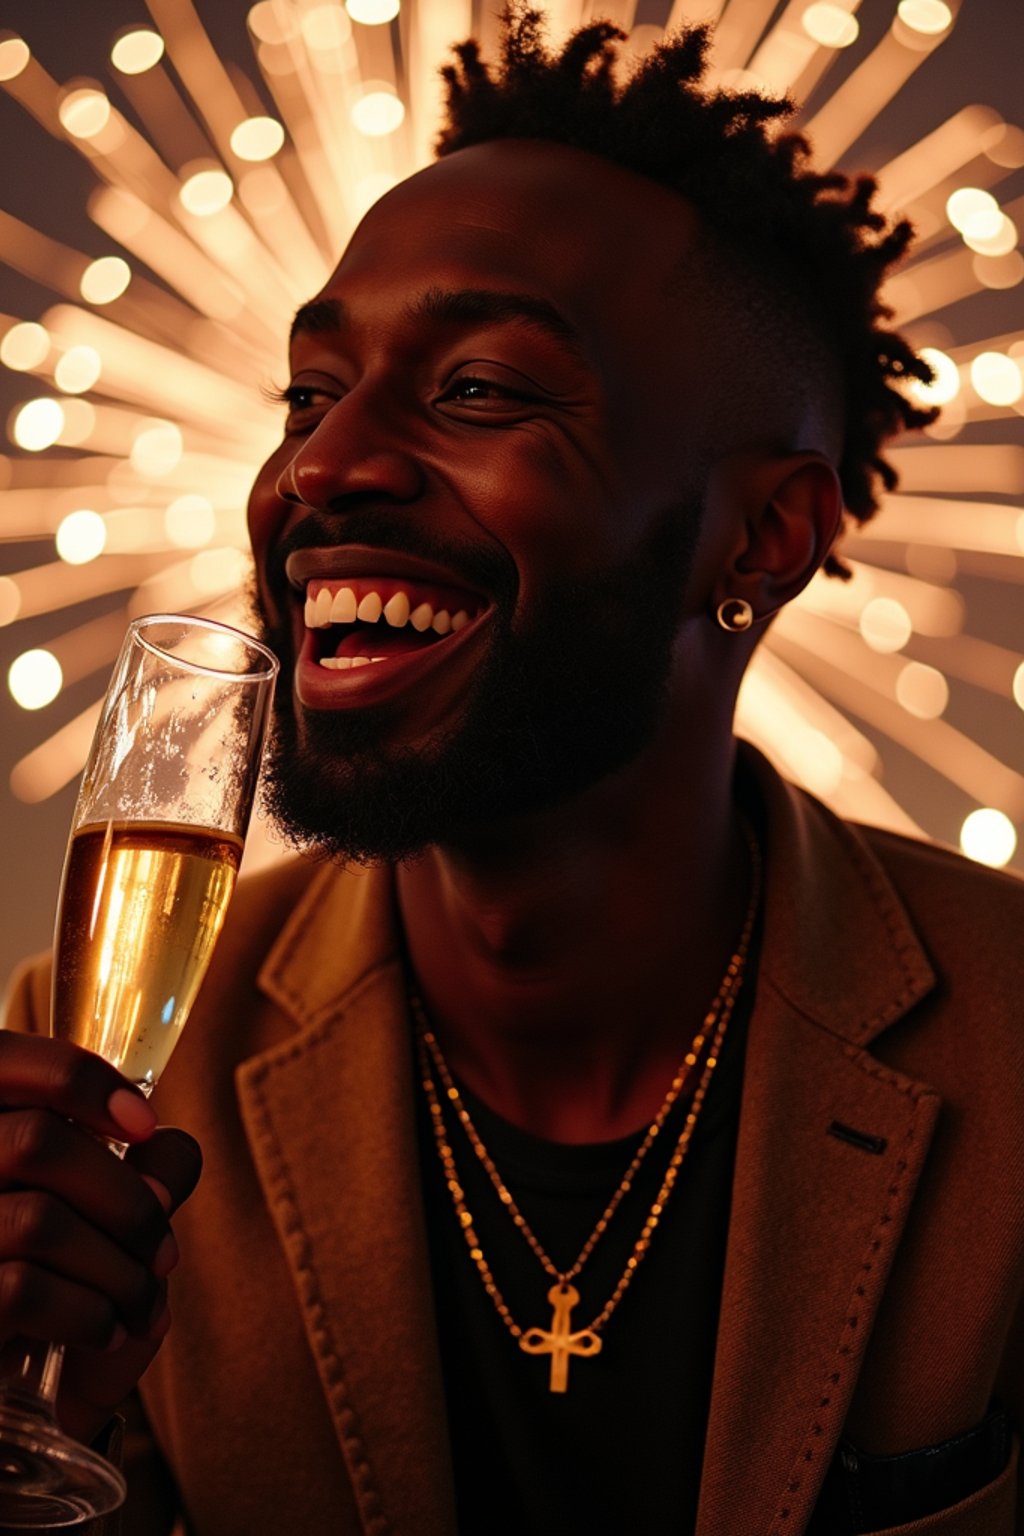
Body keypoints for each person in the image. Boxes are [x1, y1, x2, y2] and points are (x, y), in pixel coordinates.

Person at [2, 7, 1022, 1533]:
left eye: (480, 390)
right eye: (309, 394)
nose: (319, 469)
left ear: (765, 539)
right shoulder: (102, 1079)